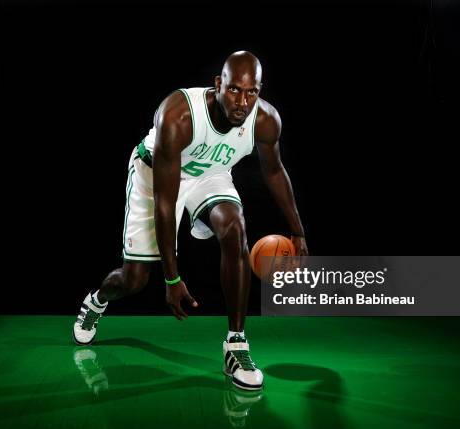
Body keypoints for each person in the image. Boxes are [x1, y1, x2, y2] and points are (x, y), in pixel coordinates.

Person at [72, 51, 308, 390]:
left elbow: (274, 171)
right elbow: (167, 202)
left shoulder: (265, 120)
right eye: (234, 90)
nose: (243, 101)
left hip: (209, 174)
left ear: (259, 91)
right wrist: (172, 279)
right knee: (134, 280)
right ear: (218, 84)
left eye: (251, 92)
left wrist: (298, 231)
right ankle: (97, 300)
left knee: (234, 226)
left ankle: (236, 344)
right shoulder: (179, 114)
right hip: (156, 175)